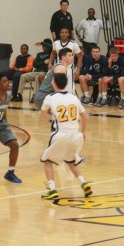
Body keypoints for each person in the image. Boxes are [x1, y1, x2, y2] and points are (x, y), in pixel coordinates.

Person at [40, 72, 92, 200]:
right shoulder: (74, 97)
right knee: (71, 161)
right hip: (76, 134)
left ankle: (52, 189)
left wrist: (53, 118)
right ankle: (83, 183)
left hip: (60, 134)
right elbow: (85, 117)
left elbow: (42, 114)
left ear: (53, 83)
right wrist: (83, 132)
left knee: (47, 161)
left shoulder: (50, 97)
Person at [18, 39, 52, 103]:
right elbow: (35, 64)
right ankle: (19, 95)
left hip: (45, 73)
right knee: (23, 76)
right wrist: (44, 62)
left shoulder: (52, 54)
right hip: (36, 71)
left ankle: (35, 96)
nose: (42, 46)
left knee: (37, 77)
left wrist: (42, 42)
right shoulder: (39, 54)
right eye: (42, 45)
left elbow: (51, 47)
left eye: (44, 44)